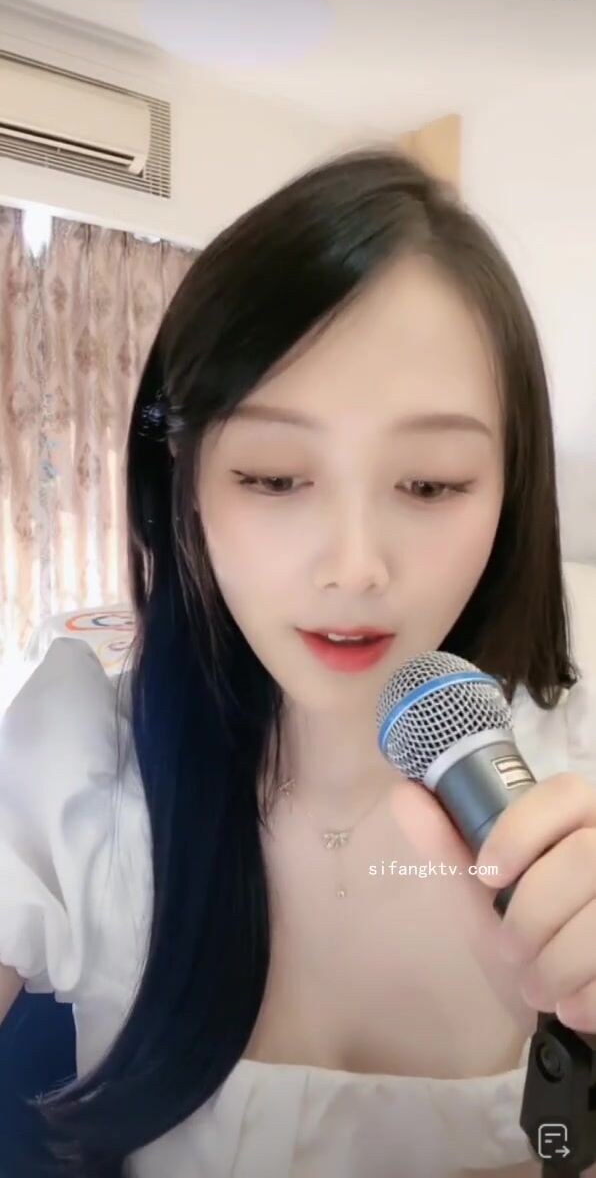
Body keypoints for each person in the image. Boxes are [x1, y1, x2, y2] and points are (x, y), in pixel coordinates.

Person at [1, 145, 595, 1178]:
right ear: (183, 480)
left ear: (511, 490)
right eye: (275, 476)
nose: (354, 567)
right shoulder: (78, 773)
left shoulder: (573, 786)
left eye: (429, 483)